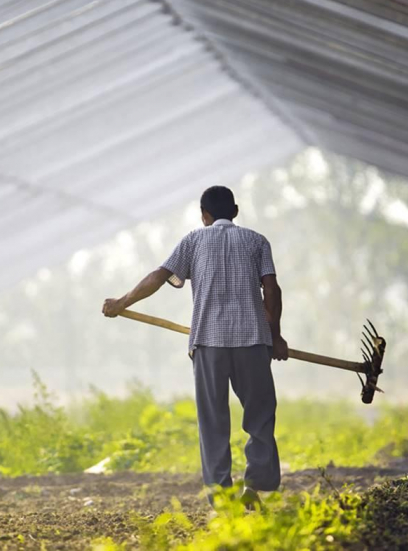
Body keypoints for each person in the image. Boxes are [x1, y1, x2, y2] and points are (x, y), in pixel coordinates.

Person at [102, 185, 288, 507]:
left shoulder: (193, 241)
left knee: (213, 421)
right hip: (253, 341)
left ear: (204, 215)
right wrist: (276, 335)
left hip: (209, 343)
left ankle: (221, 498)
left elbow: (159, 277)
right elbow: (272, 290)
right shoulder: (257, 241)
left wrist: (122, 302)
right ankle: (257, 488)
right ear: (236, 210)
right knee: (260, 416)